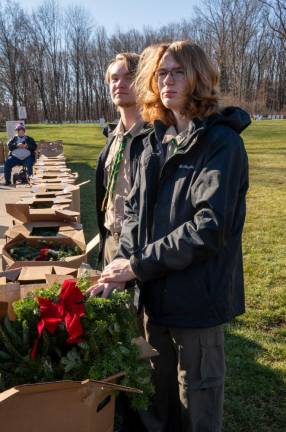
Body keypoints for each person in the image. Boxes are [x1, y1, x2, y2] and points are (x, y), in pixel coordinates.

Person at [89, 40, 251, 432]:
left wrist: (137, 265)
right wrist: (117, 265)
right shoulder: (153, 141)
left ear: (199, 77)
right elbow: (133, 214)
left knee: (196, 409)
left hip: (196, 304)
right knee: (155, 407)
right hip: (153, 301)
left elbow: (208, 228)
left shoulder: (220, 142)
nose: (167, 80)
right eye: (161, 72)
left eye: (178, 71)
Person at [95, 52, 152, 267]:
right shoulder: (113, 138)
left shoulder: (155, 137)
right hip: (111, 240)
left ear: (144, 82)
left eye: (128, 77)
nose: (119, 84)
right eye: (114, 79)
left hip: (142, 248)